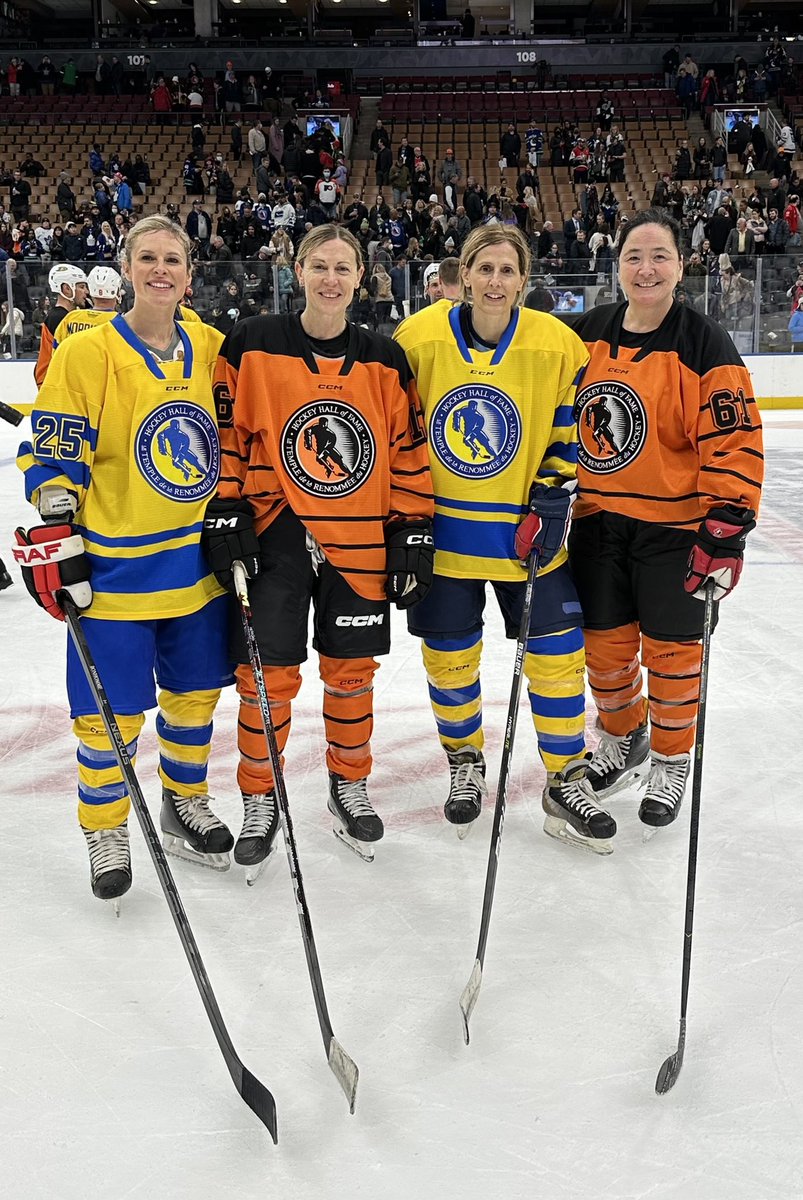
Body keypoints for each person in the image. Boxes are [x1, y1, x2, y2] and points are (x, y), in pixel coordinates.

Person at [15, 215, 235, 907]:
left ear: (190, 274)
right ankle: (106, 828)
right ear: (128, 268)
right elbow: (52, 453)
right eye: (147, 258)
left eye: (173, 259)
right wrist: (59, 523)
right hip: (115, 571)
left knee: (194, 699)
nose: (160, 269)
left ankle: (184, 801)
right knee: (107, 719)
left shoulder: (212, 347)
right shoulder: (87, 353)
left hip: (196, 567)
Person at [204, 224, 434, 867]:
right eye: (320, 266)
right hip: (274, 534)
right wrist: (226, 509)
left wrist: (412, 530)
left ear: (360, 277)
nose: (331, 279)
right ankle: (260, 795)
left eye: (343, 267)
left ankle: (349, 784)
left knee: (351, 673)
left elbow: (408, 450)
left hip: (358, 540)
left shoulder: (385, 358)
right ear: (298, 270)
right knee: (267, 678)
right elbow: (226, 434)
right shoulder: (251, 342)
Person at [394, 225, 616, 852]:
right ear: (464, 275)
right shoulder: (417, 339)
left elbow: (571, 427)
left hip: (526, 535)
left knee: (557, 652)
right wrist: (405, 519)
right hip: (444, 537)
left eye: (507, 270)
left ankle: (567, 776)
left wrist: (552, 494)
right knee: (450, 656)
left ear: (523, 279)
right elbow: (398, 429)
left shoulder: (556, 344)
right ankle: (465, 762)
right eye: (484, 268)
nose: (495, 281)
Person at [566, 209, 763, 829]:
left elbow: (734, 441)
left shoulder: (705, 342)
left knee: (674, 656)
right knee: (604, 650)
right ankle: (624, 739)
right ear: (617, 264)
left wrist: (725, 528)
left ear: (681, 266)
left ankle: (672, 758)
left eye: (659, 257)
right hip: (597, 521)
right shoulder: (587, 333)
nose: (646, 269)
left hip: (676, 531)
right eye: (634, 256)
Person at [34, 263, 89, 387]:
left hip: (52, 383)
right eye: (81, 287)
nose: (86, 291)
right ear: (67, 289)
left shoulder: (62, 315)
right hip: (53, 385)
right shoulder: (60, 318)